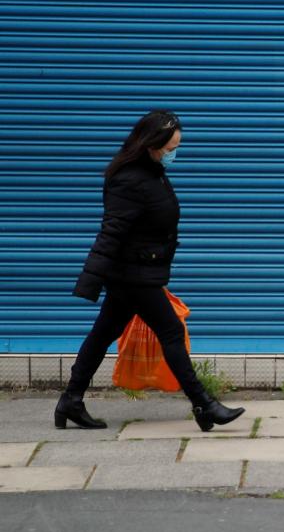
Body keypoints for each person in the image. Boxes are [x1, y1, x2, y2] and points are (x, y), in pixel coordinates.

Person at [55, 110, 245, 432]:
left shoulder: (151, 170)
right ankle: (203, 404)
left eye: (176, 147)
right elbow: (111, 233)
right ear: (151, 144)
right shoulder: (130, 179)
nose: (174, 154)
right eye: (170, 148)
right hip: (133, 273)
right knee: (170, 331)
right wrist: (90, 280)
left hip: (138, 269)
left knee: (103, 333)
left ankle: (71, 400)